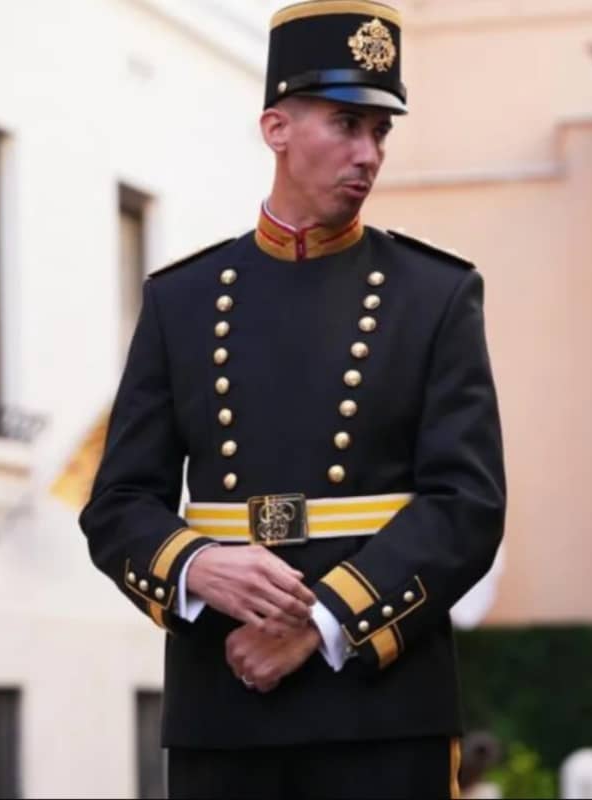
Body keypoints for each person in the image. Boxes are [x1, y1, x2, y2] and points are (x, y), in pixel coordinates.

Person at [78, 1, 506, 797]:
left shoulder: (436, 294)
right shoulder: (183, 300)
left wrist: (319, 622)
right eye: (346, 124)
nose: (368, 153)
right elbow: (118, 504)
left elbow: (467, 505)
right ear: (275, 128)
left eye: (381, 131)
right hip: (225, 699)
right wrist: (197, 564)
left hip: (382, 708)